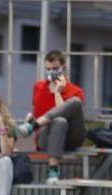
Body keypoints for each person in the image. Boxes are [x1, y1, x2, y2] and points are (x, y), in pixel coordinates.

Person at [20, 50, 86, 184]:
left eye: (55, 68)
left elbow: (65, 114)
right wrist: (30, 118)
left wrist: (57, 92)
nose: (51, 72)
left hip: (71, 137)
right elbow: (36, 110)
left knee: (75, 102)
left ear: (63, 67)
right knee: (59, 121)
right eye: (48, 69)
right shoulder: (38, 87)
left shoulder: (75, 90)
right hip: (47, 137)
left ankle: (33, 126)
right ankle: (53, 171)